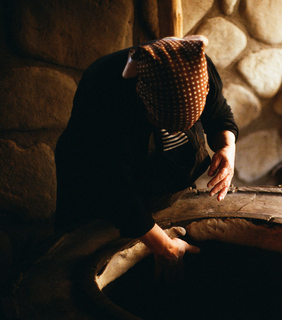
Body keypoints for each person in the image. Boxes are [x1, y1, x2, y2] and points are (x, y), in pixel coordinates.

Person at [54, 35, 238, 264]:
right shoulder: (106, 92)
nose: (178, 133)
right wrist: (165, 246)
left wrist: (227, 148)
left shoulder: (196, 64)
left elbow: (219, 113)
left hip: (153, 181)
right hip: (95, 193)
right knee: (87, 258)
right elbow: (115, 186)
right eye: (167, 126)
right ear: (143, 100)